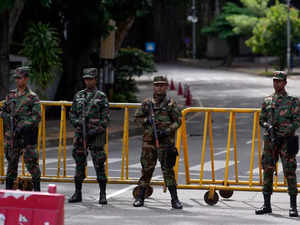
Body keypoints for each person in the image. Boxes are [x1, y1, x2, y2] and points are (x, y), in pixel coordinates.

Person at [133, 75, 183, 209]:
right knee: (146, 170)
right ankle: (140, 197)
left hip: (165, 142)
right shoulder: (147, 103)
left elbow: (178, 121)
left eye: (162, 85)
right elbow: (137, 118)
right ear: (153, 87)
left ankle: (175, 200)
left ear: (166, 87)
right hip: (149, 142)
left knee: (168, 170)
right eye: (157, 85)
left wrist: (166, 131)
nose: (159, 87)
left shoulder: (171, 104)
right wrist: (146, 121)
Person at [255, 71, 300, 217]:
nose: (276, 83)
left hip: (287, 141)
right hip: (270, 141)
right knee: (267, 170)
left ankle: (293, 207)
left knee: (290, 172)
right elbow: (261, 119)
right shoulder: (267, 100)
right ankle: (266, 205)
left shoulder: (293, 101)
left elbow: (297, 121)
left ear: (285, 83)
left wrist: (285, 132)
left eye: (279, 81)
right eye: (275, 81)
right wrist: (267, 126)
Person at [69, 68, 110, 204]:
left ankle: (102, 194)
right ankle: (77, 193)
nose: (88, 81)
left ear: (95, 79)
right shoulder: (79, 95)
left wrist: (96, 129)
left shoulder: (101, 96)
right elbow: (72, 113)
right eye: (86, 79)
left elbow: (105, 118)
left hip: (96, 135)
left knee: (99, 164)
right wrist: (77, 124)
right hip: (81, 134)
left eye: (90, 79)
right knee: (79, 163)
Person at [0, 66, 41, 191]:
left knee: (32, 164)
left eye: (20, 78)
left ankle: (37, 191)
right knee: (11, 164)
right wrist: (8, 118)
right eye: (16, 78)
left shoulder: (32, 97)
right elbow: (3, 111)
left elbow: (37, 116)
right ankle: (8, 192)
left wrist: (23, 125)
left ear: (26, 79)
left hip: (27, 136)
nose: (17, 80)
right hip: (12, 136)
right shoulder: (11, 95)